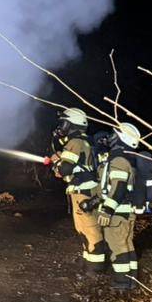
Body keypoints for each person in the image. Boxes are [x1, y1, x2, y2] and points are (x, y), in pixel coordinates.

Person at [48, 108, 105, 272]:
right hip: (84, 192)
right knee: (84, 229)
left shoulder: (75, 143)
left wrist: (56, 161)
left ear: (72, 125)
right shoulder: (83, 141)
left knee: (90, 229)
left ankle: (95, 269)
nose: (61, 127)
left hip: (83, 193)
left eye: (64, 123)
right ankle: (89, 263)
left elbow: (65, 169)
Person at [93, 122, 148, 290]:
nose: (111, 137)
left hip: (117, 212)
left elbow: (118, 186)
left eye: (114, 134)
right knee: (126, 244)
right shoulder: (126, 158)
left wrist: (107, 210)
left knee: (117, 247)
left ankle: (121, 284)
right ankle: (132, 281)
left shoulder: (118, 159)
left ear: (121, 137)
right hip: (126, 211)